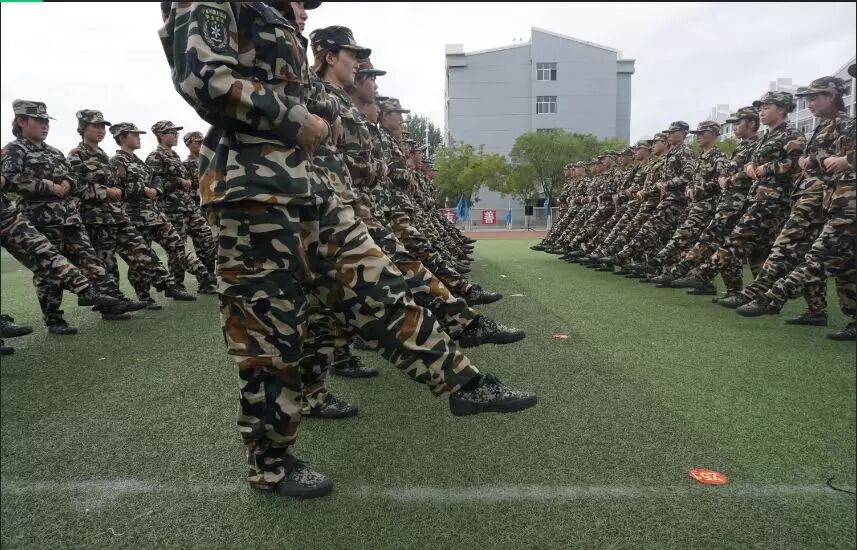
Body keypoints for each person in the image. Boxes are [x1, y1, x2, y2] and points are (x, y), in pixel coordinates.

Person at [159, 0, 537, 498]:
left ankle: (464, 384)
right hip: (251, 192)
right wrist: (298, 118)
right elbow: (203, 80)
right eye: (300, 5)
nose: (303, 12)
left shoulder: (273, 20)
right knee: (270, 338)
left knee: (380, 283)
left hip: (310, 188)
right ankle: (271, 464)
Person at [2, 100, 141, 334]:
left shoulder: (54, 151)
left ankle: (112, 303)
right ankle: (54, 319)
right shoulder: (14, 150)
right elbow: (9, 180)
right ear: (22, 122)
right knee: (49, 270)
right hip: (40, 219)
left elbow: (73, 177)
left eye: (47, 121)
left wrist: (68, 182)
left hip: (69, 217)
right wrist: (48, 186)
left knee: (91, 260)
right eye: (39, 121)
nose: (45, 126)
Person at [67, 110, 196, 317]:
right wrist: (105, 191)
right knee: (107, 264)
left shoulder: (103, 156)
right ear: (83, 128)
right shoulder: (77, 154)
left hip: (117, 214)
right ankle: (112, 306)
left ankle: (168, 285)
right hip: (95, 218)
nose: (101, 130)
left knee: (141, 250)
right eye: (95, 126)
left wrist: (124, 189)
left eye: (102, 127)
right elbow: (74, 185)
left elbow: (124, 183)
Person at [146, 120, 217, 294]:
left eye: (176, 132)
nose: (176, 135)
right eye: (172, 132)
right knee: (178, 248)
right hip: (172, 208)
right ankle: (177, 285)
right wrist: (179, 181)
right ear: (161, 135)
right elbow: (153, 182)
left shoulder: (174, 155)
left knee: (206, 239)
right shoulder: (155, 156)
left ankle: (207, 280)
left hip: (188, 206)